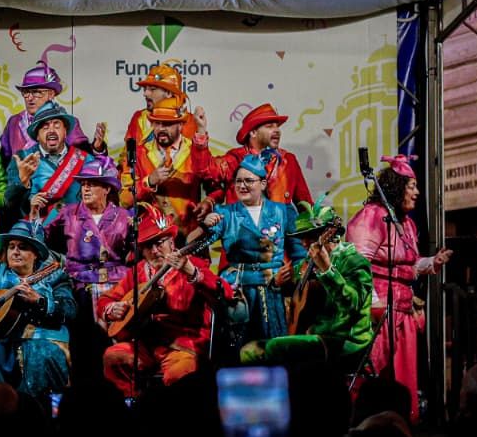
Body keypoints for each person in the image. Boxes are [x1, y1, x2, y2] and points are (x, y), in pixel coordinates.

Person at [346, 154, 451, 422]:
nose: (416, 193)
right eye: (411, 186)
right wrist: (373, 303)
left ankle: (399, 421)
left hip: (403, 309)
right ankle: (364, 420)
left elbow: (408, 266)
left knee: (401, 374)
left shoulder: (406, 223)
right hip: (379, 309)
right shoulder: (373, 216)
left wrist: (431, 263)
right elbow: (358, 263)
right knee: (374, 368)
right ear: (396, 186)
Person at [98, 206, 223, 398]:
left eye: (160, 243)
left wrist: (193, 273)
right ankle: (133, 409)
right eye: (148, 246)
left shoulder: (193, 264)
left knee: (178, 375)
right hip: (146, 346)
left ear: (172, 241)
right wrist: (110, 309)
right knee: (113, 357)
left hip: (183, 347)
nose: (155, 251)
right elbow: (107, 299)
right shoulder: (138, 271)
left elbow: (225, 293)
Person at [241, 200, 374, 370]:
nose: (303, 243)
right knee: (249, 349)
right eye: (301, 237)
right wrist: (277, 282)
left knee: (260, 350)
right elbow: (295, 281)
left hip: (346, 341)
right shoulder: (309, 261)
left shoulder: (355, 262)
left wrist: (327, 270)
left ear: (329, 233)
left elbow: (352, 306)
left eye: (309, 236)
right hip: (315, 335)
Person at [201, 153, 304, 356]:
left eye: (249, 181)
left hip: (273, 289)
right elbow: (204, 241)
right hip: (238, 291)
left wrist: (293, 276)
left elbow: (299, 253)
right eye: (238, 181)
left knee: (272, 349)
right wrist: (206, 224)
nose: (242, 186)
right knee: (237, 351)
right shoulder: (226, 213)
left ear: (263, 184)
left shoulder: (282, 212)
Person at [0, 219, 73, 401]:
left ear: (36, 254)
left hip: (40, 339)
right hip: (2, 340)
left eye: (22, 247)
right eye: (11, 247)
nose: (15, 252)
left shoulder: (55, 276)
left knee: (38, 356)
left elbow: (69, 309)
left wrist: (40, 301)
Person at [47, 152, 135, 320]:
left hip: (116, 283)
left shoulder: (124, 216)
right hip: (79, 284)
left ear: (107, 189)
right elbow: (46, 240)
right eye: (83, 184)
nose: (85, 188)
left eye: (92, 184)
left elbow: (135, 254)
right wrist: (35, 214)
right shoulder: (68, 213)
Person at [121, 97, 217, 235]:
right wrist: (149, 181)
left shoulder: (195, 152)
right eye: (157, 123)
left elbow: (215, 186)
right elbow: (124, 200)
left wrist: (209, 202)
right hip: (152, 243)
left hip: (189, 239)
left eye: (167, 124)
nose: (161, 129)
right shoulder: (138, 154)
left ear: (181, 125)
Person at [6, 101, 84, 226]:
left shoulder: (84, 159)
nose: (51, 130)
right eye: (45, 126)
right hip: (36, 233)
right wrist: (22, 183)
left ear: (65, 132)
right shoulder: (23, 158)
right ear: (37, 135)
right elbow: (9, 203)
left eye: (57, 125)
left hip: (75, 232)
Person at [219, 103, 312, 207]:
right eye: (269, 126)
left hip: (279, 223)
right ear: (253, 132)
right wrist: (200, 135)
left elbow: (305, 204)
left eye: (277, 126)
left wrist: (322, 218)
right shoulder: (236, 158)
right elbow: (207, 170)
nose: (277, 130)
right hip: (241, 222)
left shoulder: (288, 160)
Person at [0, 61, 88, 159]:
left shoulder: (65, 121)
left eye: (36, 92)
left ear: (51, 94)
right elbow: (5, 156)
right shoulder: (14, 121)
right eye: (25, 92)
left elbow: (82, 156)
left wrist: (98, 149)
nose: (29, 98)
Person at [122, 63, 196, 155]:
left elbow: (195, 162)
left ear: (169, 93)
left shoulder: (189, 121)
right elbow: (128, 157)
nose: (145, 94)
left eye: (152, 89)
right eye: (145, 89)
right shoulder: (139, 118)